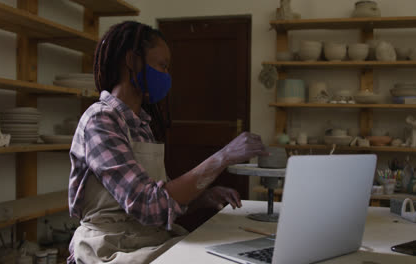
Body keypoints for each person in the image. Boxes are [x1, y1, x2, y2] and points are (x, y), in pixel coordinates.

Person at [67, 21, 267, 264]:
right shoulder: (101, 120)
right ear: (132, 60)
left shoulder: (140, 125)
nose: (167, 76)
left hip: (144, 237)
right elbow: (147, 204)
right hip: (110, 246)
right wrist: (222, 157)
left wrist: (200, 199)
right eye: (161, 66)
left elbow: (160, 203)